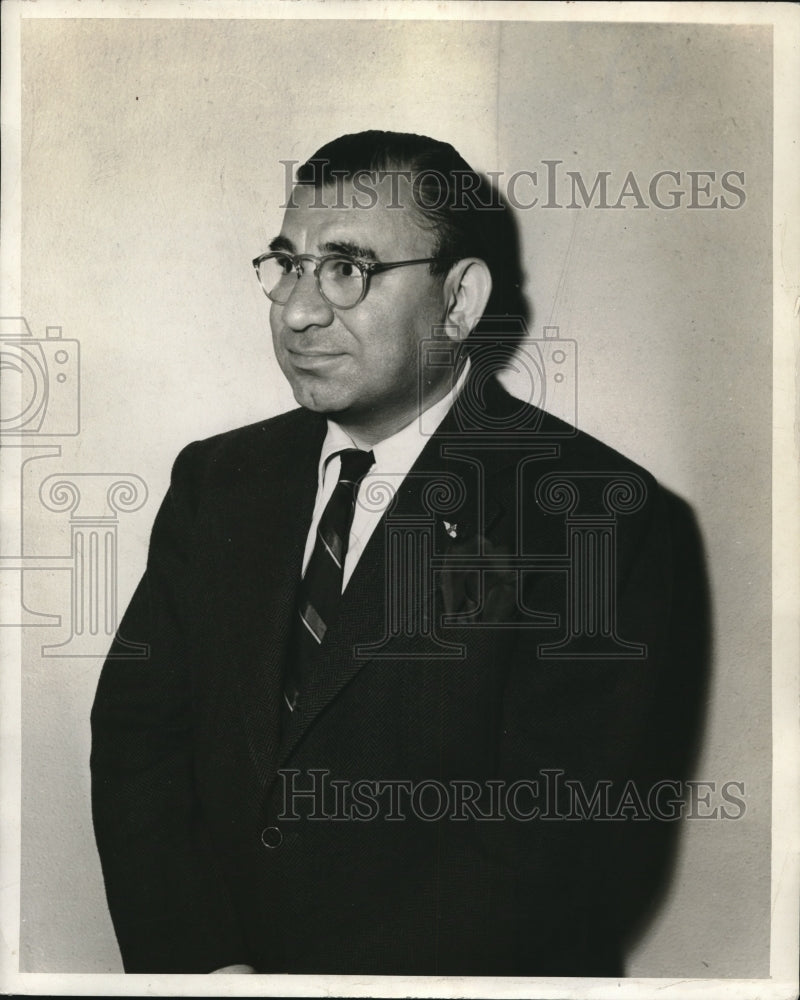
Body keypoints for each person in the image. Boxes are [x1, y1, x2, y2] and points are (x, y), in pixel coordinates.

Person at [90, 130, 707, 977]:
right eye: (287, 264)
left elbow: (554, 838)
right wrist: (206, 968)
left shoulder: (595, 513)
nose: (298, 310)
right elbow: (137, 741)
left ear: (458, 300)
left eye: (347, 267)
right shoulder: (218, 479)